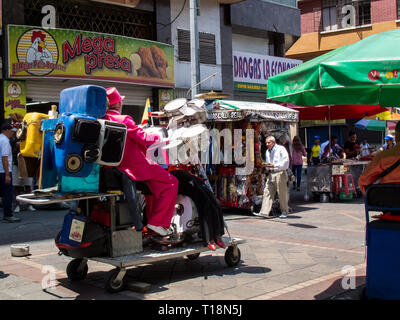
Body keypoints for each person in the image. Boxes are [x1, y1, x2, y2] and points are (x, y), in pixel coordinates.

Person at [104, 87, 178, 237]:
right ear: (118, 104)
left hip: (113, 168)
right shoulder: (124, 119)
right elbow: (143, 138)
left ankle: (151, 223)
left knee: (152, 189)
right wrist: (165, 137)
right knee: (171, 182)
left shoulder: (103, 118)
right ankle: (158, 223)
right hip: (133, 167)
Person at [252, 136, 290, 219]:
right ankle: (264, 212)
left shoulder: (281, 149)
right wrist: (266, 166)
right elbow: (269, 163)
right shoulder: (267, 151)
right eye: (266, 143)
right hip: (271, 173)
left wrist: (275, 165)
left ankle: (284, 211)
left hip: (280, 173)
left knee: (282, 193)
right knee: (267, 191)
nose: (267, 144)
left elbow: (286, 161)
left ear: (273, 142)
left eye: (268, 142)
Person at [359, 122, 400, 194]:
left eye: (388, 140)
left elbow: (363, 180)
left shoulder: (383, 156)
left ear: (396, 136)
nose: (387, 142)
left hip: (385, 199)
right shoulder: (384, 149)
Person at [0, 122, 20, 222]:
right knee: (7, 193)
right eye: (11, 131)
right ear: (6, 131)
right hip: (3, 171)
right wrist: (7, 174)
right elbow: (4, 158)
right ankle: (8, 215)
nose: (12, 133)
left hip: (1, 170)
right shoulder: (4, 141)